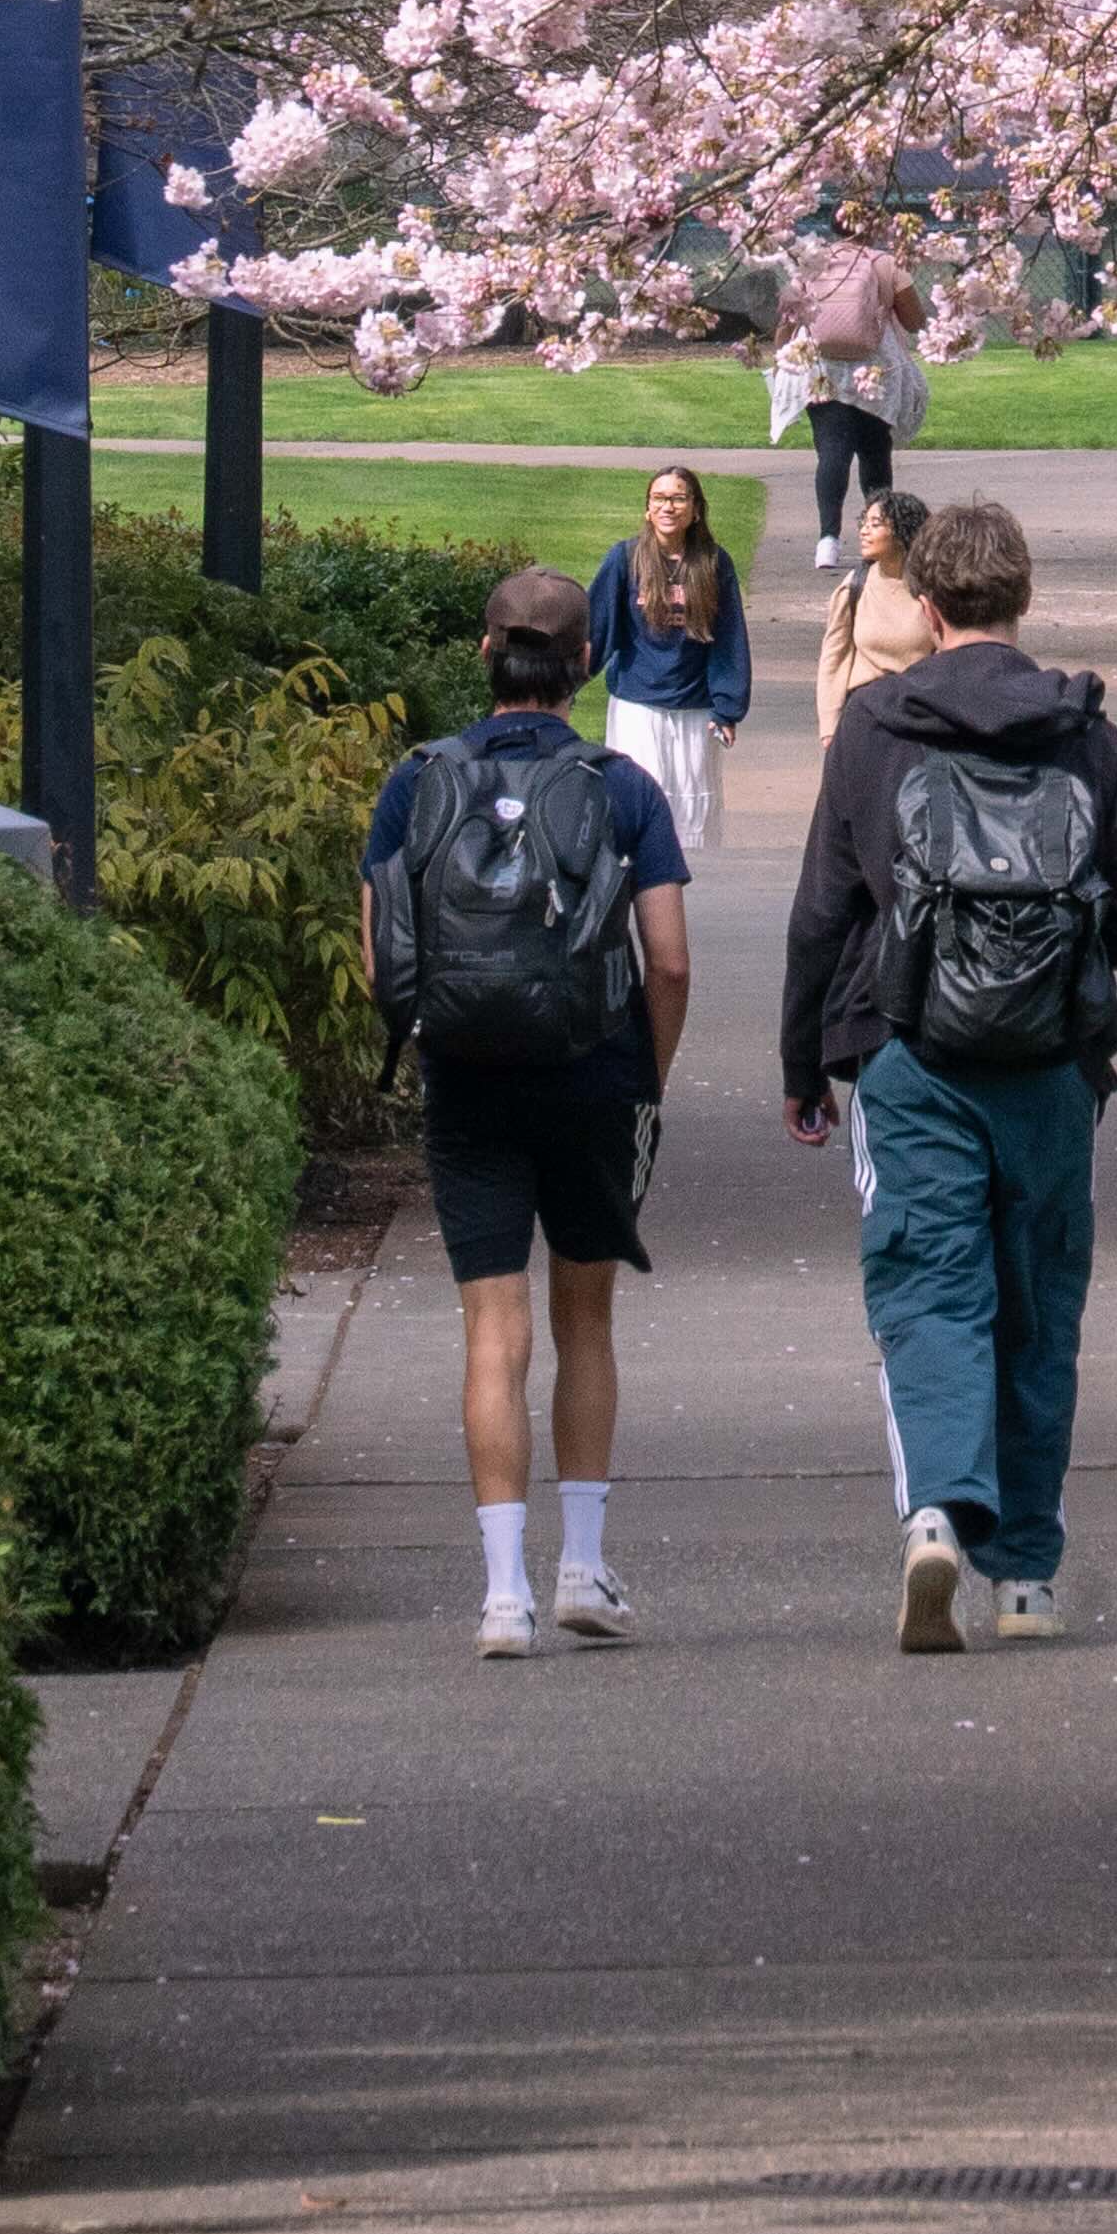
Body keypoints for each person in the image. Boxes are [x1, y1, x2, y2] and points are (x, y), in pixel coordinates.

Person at [774, 495, 1117, 1648]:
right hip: (1050, 1065)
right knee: (1037, 1306)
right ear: (1023, 598)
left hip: (909, 1053)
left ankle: (938, 1510)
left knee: (928, 1285)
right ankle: (1026, 1576)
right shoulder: (1085, 733)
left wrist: (803, 1062)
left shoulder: (873, 727)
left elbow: (822, 911)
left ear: (927, 603)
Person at [360, 561, 695, 1653]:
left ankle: (502, 1591)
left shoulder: (417, 781)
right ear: (585, 662)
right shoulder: (621, 788)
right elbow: (669, 961)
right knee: (584, 1319)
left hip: (466, 1080)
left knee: (491, 1327)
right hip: (593, 1075)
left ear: (484, 654)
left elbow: (381, 957)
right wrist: (645, 1076)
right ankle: (582, 1568)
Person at [589, 462, 757, 865]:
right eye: (659, 498)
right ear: (647, 509)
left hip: (694, 709)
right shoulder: (625, 559)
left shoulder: (714, 563)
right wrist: (560, 686)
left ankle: (693, 886)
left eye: (679, 498)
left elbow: (728, 637)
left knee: (691, 811)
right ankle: (633, 882)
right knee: (638, 798)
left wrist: (727, 706)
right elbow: (595, 629)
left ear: (695, 509)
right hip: (637, 706)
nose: (668, 507)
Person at [782, 204, 932, 567]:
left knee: (831, 451)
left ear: (833, 226)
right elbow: (914, 321)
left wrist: (782, 349)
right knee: (875, 453)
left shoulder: (811, 262)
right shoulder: (884, 264)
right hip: (877, 369)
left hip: (822, 368)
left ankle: (827, 542)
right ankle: (881, 538)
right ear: (874, 228)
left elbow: (788, 318)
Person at [814, 491, 942, 743]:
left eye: (875, 524)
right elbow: (834, 658)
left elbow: (949, 655)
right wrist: (829, 727)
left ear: (903, 532)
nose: (864, 531)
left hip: (918, 719)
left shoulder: (934, 590)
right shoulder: (855, 586)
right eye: (864, 522)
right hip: (864, 718)